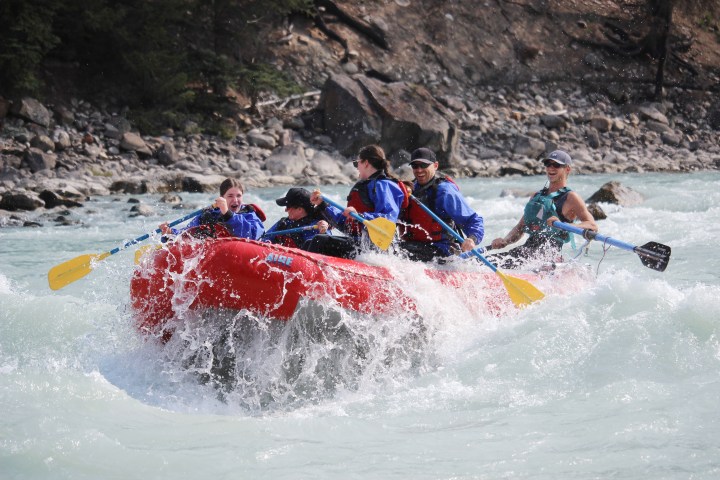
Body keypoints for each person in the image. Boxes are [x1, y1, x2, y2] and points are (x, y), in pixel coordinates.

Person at [490, 150, 598, 268]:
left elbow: (592, 226)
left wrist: (563, 224)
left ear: (567, 169)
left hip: (548, 254)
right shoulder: (536, 196)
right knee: (484, 262)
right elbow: (520, 227)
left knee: (494, 265)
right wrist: (505, 241)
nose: (551, 168)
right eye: (548, 164)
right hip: (526, 250)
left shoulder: (571, 197)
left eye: (556, 165)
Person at [306, 144, 408, 259]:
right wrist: (322, 205)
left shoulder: (384, 185)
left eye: (357, 163)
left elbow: (388, 219)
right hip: (360, 243)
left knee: (319, 241)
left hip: (375, 249)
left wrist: (360, 216)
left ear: (366, 163)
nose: (357, 167)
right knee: (309, 242)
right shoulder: (365, 185)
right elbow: (345, 224)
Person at [398, 147, 485, 262]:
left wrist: (472, 239)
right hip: (413, 245)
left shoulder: (445, 191)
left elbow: (473, 220)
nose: (419, 170)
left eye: (424, 165)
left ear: (435, 166)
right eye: (415, 166)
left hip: (441, 250)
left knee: (399, 252)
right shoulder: (409, 189)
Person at [160, 177, 265, 240]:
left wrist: (228, 214)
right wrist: (169, 233)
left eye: (238, 196)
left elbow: (251, 236)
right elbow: (186, 234)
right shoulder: (209, 215)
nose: (235, 200)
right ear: (222, 198)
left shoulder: (250, 215)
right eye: (230, 196)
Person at [263, 187, 329, 249]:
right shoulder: (283, 223)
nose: (285, 210)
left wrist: (322, 233)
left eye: (288, 207)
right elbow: (264, 239)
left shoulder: (316, 227)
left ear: (300, 209)